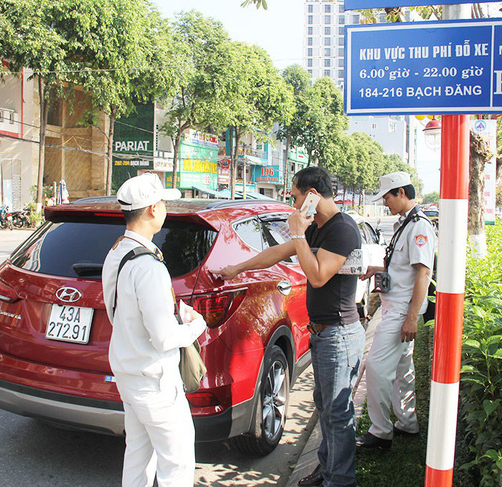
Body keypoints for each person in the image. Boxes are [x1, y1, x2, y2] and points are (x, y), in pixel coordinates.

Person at [216, 167, 365, 487]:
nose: (293, 202)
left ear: (312, 195)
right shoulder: (316, 227)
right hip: (324, 334)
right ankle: (327, 470)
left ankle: (340, 481)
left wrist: (298, 232)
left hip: (340, 334)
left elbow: (318, 275)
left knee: (337, 414)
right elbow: (277, 253)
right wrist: (237, 268)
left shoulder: (342, 229)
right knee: (327, 409)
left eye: (295, 195)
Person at [101, 173, 207, 487]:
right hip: (155, 381)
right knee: (177, 465)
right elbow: (163, 338)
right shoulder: (148, 266)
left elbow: (118, 312)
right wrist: (194, 326)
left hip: (129, 375)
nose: (164, 208)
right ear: (151, 210)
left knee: (138, 456)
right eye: (162, 202)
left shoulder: (117, 252)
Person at [356, 172, 436, 450]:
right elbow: (402, 266)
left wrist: (412, 318)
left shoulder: (419, 227)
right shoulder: (406, 224)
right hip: (396, 306)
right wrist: (378, 270)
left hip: (402, 310)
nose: (385, 203)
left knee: (376, 368)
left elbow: (423, 274)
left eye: (387, 197)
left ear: (401, 193)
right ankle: (407, 423)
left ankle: (380, 432)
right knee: (403, 369)